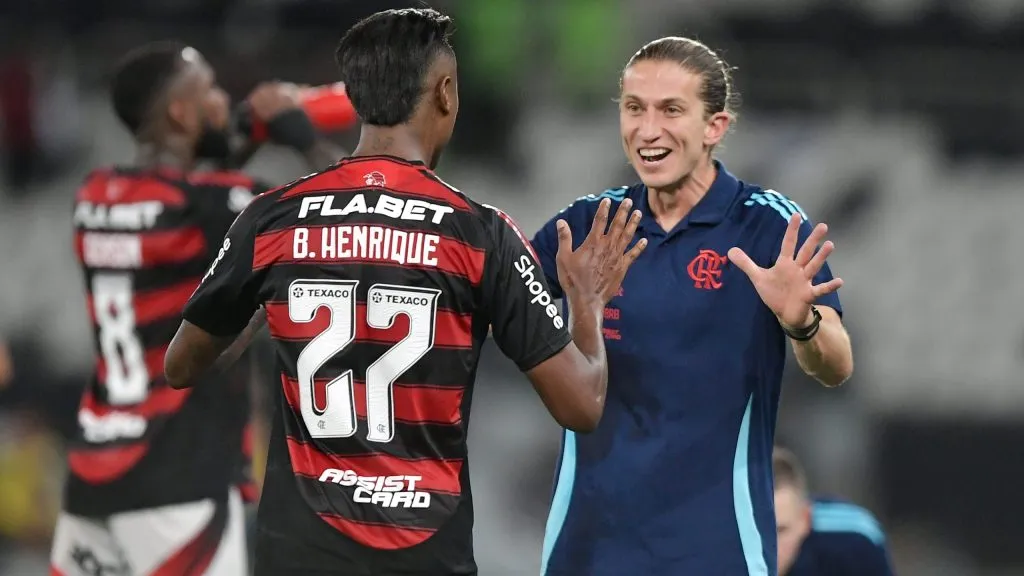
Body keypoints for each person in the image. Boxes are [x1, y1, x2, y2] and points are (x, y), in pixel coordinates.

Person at [163, 8, 646, 576]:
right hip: (423, 552)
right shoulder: (480, 233)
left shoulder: (274, 219)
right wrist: (586, 302)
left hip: (297, 550)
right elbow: (582, 405)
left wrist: (269, 307)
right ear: (445, 93)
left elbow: (182, 365)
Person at [530, 36, 855, 575]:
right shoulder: (590, 225)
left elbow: (837, 364)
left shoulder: (767, 226)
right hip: (588, 547)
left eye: (671, 110)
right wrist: (578, 314)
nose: (647, 130)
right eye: (634, 108)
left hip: (716, 547)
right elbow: (495, 313)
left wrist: (802, 324)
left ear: (715, 128)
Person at [50, 41, 343, 576]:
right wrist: (298, 133)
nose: (221, 99)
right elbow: (350, 212)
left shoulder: (95, 195)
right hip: (179, 479)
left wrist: (240, 144)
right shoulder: (209, 203)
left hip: (94, 476)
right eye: (208, 89)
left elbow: (190, 199)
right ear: (180, 113)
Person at [774, 446, 895, 575]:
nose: (767, 548)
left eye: (780, 531)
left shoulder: (854, 540)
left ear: (805, 519)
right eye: (754, 533)